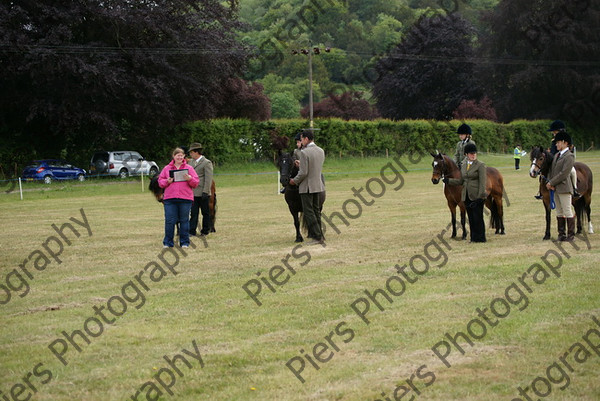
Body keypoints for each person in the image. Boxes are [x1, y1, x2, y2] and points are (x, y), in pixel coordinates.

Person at [444, 143, 487, 243]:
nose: (473, 155)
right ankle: (473, 238)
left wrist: (481, 196)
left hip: (476, 195)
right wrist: (448, 181)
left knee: (478, 218)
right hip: (466, 195)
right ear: (466, 155)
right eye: (471, 154)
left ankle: (481, 238)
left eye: (474, 153)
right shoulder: (464, 166)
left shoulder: (480, 165)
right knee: (471, 218)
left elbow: (482, 182)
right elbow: (461, 181)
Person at [289, 130, 325, 245]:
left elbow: (303, 173)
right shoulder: (320, 151)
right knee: (316, 211)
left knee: (308, 212)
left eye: (301, 138)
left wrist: (294, 181)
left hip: (307, 186)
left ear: (306, 139)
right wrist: (302, 165)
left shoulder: (304, 152)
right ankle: (320, 235)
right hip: (318, 185)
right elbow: (314, 167)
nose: (301, 141)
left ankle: (317, 237)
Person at [158, 147, 199, 248]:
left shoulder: (189, 168)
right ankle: (167, 242)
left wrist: (189, 179)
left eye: (181, 155)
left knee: (184, 220)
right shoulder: (167, 168)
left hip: (185, 199)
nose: (179, 157)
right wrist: (167, 181)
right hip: (170, 199)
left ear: (184, 156)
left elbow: (195, 183)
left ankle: (184, 242)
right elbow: (160, 182)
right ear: (173, 156)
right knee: (169, 220)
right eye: (177, 155)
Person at [535, 120, 579, 199]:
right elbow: (552, 152)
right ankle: (541, 191)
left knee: (573, 171)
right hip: (555, 160)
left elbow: (570, 150)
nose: (554, 134)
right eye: (553, 132)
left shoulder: (567, 139)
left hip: (566, 161)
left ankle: (574, 189)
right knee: (543, 173)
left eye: (555, 132)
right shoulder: (554, 141)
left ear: (560, 131)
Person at [546, 131, 576, 241]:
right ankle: (561, 234)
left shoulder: (569, 156)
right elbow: (552, 170)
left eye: (558, 142)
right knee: (559, 211)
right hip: (555, 188)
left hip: (564, 187)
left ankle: (571, 235)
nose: (556, 145)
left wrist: (552, 183)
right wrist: (550, 183)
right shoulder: (557, 155)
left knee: (567, 210)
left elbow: (564, 173)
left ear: (564, 142)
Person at [188, 142, 213, 237]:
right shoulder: (190, 162)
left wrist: (205, 191)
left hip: (203, 191)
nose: (190, 154)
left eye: (191, 152)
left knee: (205, 212)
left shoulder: (207, 163)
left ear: (196, 152)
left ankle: (205, 230)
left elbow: (208, 178)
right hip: (193, 192)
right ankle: (192, 230)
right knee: (193, 213)